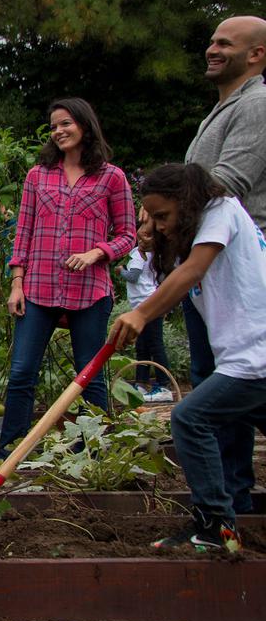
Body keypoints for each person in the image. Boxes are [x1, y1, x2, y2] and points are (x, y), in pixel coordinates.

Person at [109, 163, 266, 552]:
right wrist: (154, 238)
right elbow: (179, 273)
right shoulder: (198, 229)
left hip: (255, 355)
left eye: (163, 216)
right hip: (245, 356)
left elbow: (193, 272)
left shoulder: (220, 210)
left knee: (190, 418)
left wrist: (141, 313)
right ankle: (219, 527)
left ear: (187, 202)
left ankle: (217, 527)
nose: (160, 225)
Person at [0, 98, 135, 458]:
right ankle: (11, 453)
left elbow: (127, 234)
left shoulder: (112, 177)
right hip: (38, 288)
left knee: (89, 375)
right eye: (53, 126)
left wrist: (97, 252)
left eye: (65, 124)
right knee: (21, 374)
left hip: (90, 291)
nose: (58, 131)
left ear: (85, 126)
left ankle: (94, 453)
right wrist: (17, 283)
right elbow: (23, 232)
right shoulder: (38, 176)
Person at [183, 15, 266, 515]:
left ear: (255, 54)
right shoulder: (223, 109)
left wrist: (161, 214)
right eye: (211, 40)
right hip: (210, 261)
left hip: (236, 264)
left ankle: (228, 500)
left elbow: (229, 183)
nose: (211, 49)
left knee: (228, 382)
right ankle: (229, 496)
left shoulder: (257, 104)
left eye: (224, 44)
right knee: (215, 377)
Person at [117, 221, 172, 402]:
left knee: (154, 344)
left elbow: (133, 277)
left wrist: (121, 270)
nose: (142, 240)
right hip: (142, 304)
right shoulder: (152, 255)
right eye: (140, 237)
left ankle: (164, 386)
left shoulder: (139, 256)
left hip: (146, 304)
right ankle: (140, 383)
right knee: (143, 346)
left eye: (147, 236)